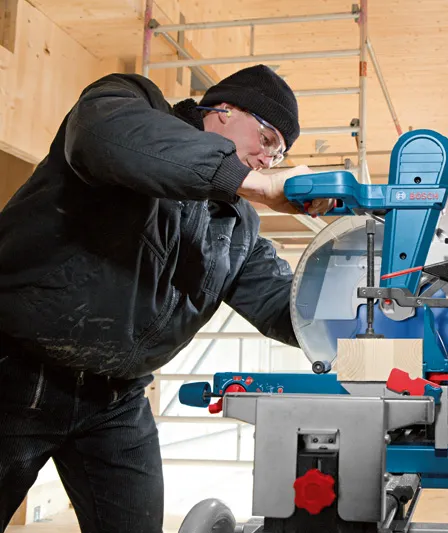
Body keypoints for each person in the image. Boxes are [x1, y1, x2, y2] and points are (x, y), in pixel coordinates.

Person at [0, 64, 331, 532]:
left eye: (278, 155)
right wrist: (250, 181)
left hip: (116, 396)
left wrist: (358, 307)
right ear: (224, 110)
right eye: (269, 138)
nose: (268, 158)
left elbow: (285, 306)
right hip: (18, 371)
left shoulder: (236, 227)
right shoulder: (127, 103)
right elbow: (104, 139)